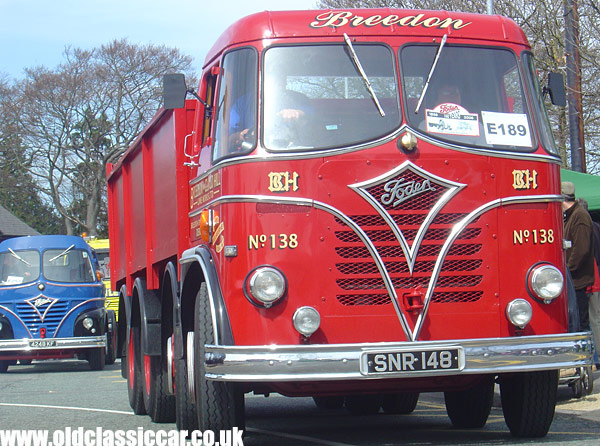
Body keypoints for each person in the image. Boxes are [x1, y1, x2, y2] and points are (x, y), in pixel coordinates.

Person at [562, 182, 595, 332]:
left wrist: (566, 271)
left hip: (577, 282)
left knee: (581, 326)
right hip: (574, 281)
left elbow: (581, 250)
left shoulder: (579, 216)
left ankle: (589, 356)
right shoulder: (572, 216)